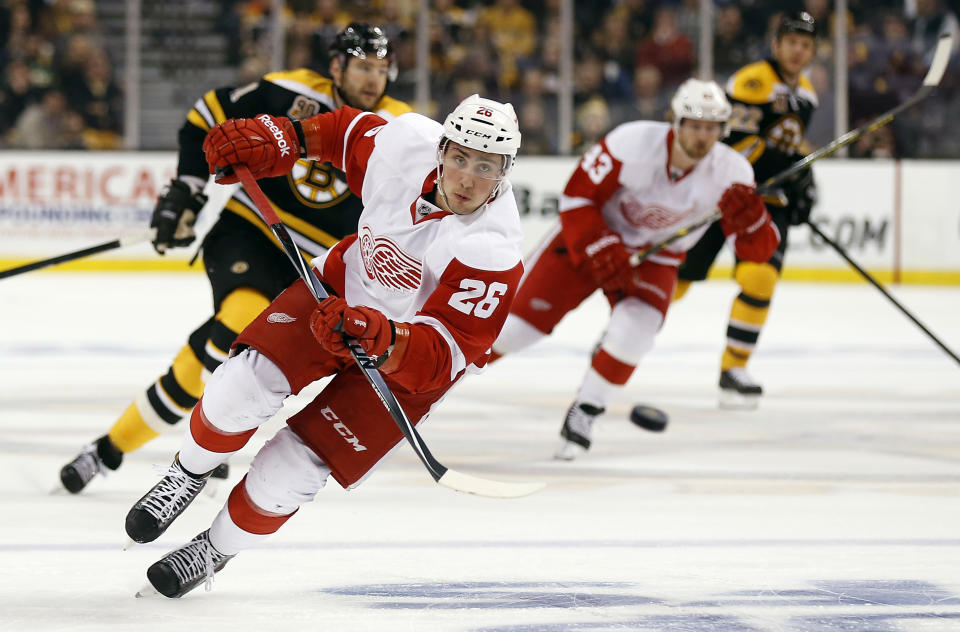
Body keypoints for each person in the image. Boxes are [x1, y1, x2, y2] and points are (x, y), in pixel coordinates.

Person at [124, 93, 524, 598]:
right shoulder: (405, 143)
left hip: (403, 368)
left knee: (289, 473)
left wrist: (380, 335)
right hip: (339, 291)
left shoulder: (493, 249)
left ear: (504, 171)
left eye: (485, 166)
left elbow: (444, 356)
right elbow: (341, 133)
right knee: (241, 387)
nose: (468, 178)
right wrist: (281, 141)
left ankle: (214, 549)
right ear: (441, 149)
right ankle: (187, 475)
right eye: (460, 157)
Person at [59, 23, 412, 493]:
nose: (373, 79)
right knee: (233, 326)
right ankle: (148, 456)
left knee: (233, 363)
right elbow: (207, 115)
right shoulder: (289, 91)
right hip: (251, 234)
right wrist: (186, 190)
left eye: (382, 70)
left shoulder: (402, 128)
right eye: (364, 67)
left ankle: (125, 447)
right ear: (336, 66)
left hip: (314, 269)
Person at [491, 78, 780, 460]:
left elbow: (756, 251)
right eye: (694, 124)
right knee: (513, 331)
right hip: (590, 238)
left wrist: (753, 221)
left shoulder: (733, 173)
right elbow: (577, 196)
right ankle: (432, 381)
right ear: (674, 122)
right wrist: (598, 243)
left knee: (636, 330)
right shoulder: (632, 142)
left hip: (654, 257)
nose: (701, 137)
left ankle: (586, 411)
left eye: (711, 128)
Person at [675, 11, 818, 408]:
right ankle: (624, 330)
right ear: (776, 45)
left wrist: (805, 180)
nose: (797, 50)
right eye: (791, 42)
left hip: (767, 202)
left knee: (761, 278)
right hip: (724, 194)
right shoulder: (752, 81)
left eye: (806, 45)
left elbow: (792, 147)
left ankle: (734, 367)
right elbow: (734, 144)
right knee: (678, 276)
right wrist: (785, 169)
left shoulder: (808, 93)